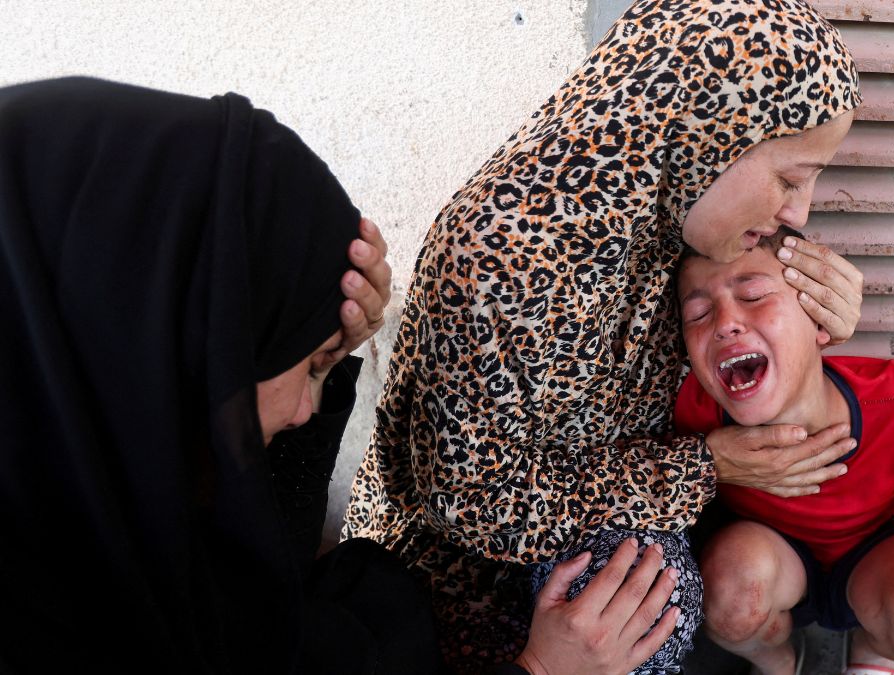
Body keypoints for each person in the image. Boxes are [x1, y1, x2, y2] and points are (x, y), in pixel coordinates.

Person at [0, 76, 673, 675]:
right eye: (308, 365)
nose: (304, 411)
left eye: (325, 363)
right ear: (162, 340)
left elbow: (257, 586)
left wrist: (325, 354)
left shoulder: (81, 451)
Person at [344, 1, 868, 672]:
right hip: (457, 567)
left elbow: (746, 321)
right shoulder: (501, 259)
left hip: (609, 495)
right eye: (790, 177)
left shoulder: (673, 205)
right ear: (702, 133)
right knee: (649, 605)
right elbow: (469, 500)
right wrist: (703, 467)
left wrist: (814, 304)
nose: (800, 212)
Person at [674, 230, 894, 675]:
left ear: (822, 323)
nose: (724, 323)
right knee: (727, 594)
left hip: (877, 545)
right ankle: (779, 662)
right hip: (770, 552)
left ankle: (875, 645)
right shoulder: (692, 411)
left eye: (755, 295)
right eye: (698, 313)